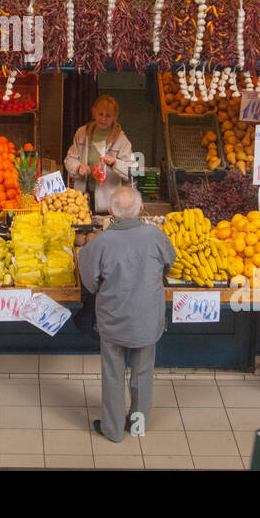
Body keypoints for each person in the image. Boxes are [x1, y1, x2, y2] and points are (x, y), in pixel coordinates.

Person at [76, 185, 176, 443]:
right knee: (143, 373)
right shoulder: (156, 236)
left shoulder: (99, 243)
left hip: (113, 319)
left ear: (111, 211)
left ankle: (112, 429)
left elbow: (89, 281)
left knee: (113, 374)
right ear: (141, 210)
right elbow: (169, 264)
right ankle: (138, 425)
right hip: (147, 319)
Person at [64, 95, 135, 214]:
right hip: (82, 197)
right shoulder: (82, 133)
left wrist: (115, 163)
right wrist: (78, 167)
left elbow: (132, 169)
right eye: (100, 114)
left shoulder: (121, 140)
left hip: (107, 201)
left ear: (115, 117)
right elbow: (70, 158)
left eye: (108, 116)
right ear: (94, 112)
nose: (103, 119)